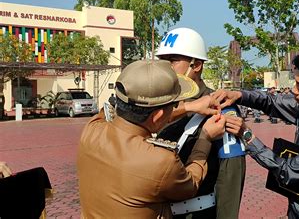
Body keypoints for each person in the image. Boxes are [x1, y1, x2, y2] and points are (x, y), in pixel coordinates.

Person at [77, 60, 226, 218]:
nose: (177, 108)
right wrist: (205, 137)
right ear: (158, 116)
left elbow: (121, 113)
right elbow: (191, 184)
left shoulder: (92, 129)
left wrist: (190, 106)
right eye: (174, 105)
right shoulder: (161, 162)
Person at [214, 49, 299, 219]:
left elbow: (288, 173)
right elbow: (271, 102)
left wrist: (247, 135)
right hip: (297, 207)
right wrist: (239, 95)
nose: (294, 91)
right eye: (295, 83)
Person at [156, 27, 246, 219]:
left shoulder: (222, 107)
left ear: (196, 65)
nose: (165, 68)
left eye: (172, 61)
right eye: (162, 61)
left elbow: (230, 177)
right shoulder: (159, 105)